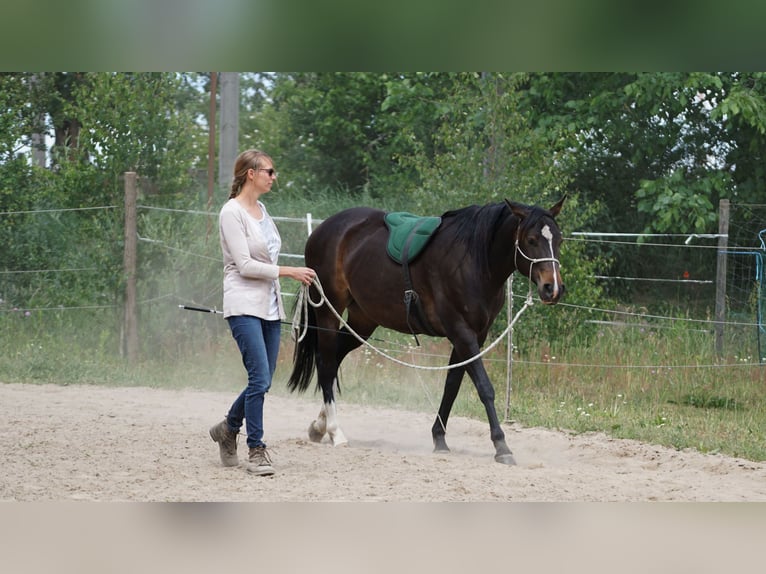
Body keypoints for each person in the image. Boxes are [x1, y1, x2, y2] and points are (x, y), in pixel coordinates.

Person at [209, 149, 315, 476]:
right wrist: (289, 271)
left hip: (269, 307)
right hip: (243, 305)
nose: (273, 176)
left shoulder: (263, 211)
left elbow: (266, 258)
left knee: (263, 381)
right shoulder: (232, 212)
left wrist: (286, 274)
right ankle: (256, 449)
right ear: (250, 173)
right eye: (268, 170)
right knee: (260, 379)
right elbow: (244, 265)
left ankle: (228, 428)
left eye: (273, 171)